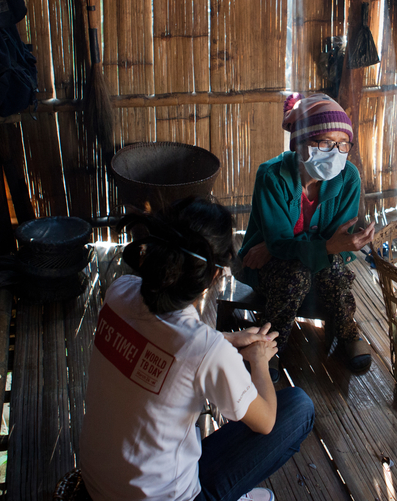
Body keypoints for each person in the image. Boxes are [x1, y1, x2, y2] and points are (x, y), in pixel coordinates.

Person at [79, 197, 315, 501]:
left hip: (97, 483)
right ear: (215, 273)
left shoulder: (119, 293)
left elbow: (166, 344)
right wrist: (258, 361)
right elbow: (267, 420)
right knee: (299, 408)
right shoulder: (205, 350)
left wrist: (229, 340)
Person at [239, 93, 376, 376]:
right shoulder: (272, 176)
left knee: (333, 270)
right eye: (325, 142)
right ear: (300, 143)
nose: (335, 152)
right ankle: (270, 345)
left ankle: (349, 332)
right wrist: (282, 245)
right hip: (265, 266)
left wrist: (280, 244)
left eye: (342, 144)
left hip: (315, 263)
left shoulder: (348, 177)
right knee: (296, 273)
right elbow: (297, 243)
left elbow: (335, 242)